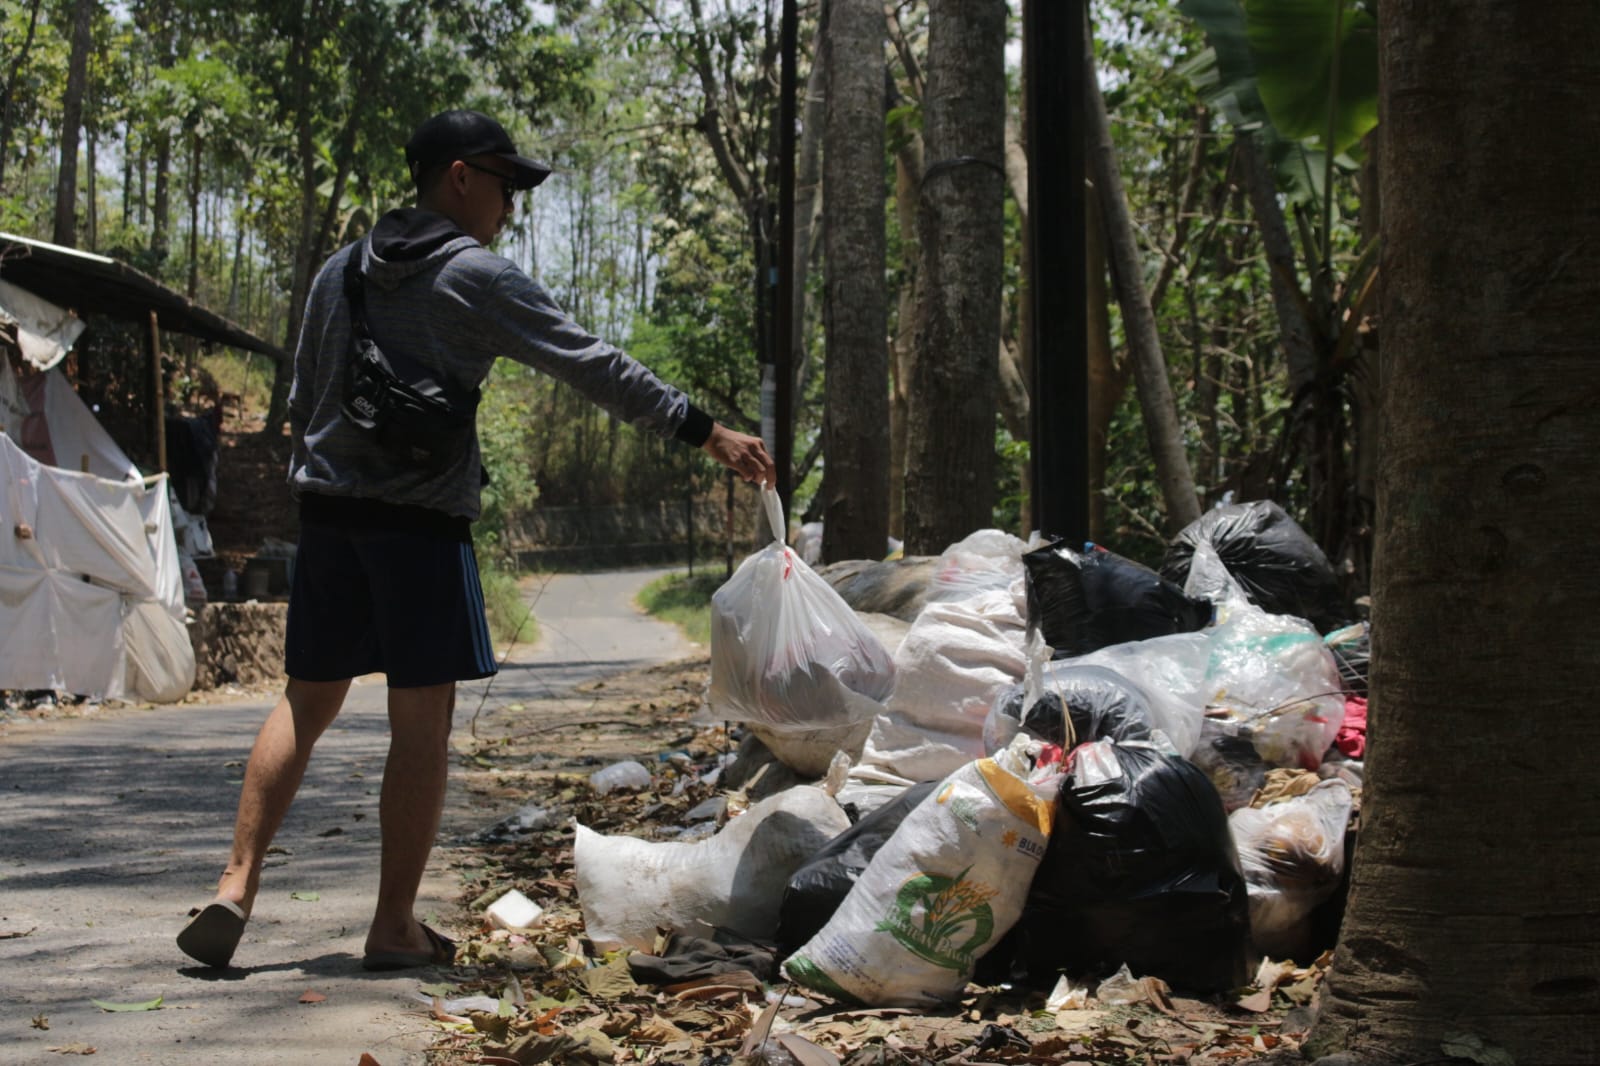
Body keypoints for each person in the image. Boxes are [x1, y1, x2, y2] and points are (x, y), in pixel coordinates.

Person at [177, 109, 775, 970]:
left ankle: (234, 887)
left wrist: (334, 478)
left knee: (306, 705)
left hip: (331, 517)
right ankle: (391, 926)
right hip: (420, 527)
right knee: (420, 724)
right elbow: (589, 361)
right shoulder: (476, 278)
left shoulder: (336, 273)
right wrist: (704, 430)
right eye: (505, 185)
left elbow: (303, 400)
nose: (510, 205)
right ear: (459, 176)